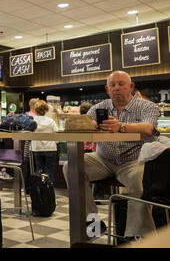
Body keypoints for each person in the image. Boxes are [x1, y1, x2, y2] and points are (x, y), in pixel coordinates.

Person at [62, 70, 159, 240]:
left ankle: (136, 235)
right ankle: (92, 224)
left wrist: (120, 127)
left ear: (131, 86)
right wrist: (89, 126)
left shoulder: (147, 106)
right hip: (103, 159)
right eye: (112, 85)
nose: (117, 88)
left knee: (139, 179)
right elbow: (83, 126)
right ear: (107, 89)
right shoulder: (98, 108)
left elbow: (148, 128)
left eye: (121, 84)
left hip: (135, 160)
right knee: (71, 166)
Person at [31, 100, 58, 182]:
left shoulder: (32, 121)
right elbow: (57, 135)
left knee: (39, 172)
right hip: (50, 148)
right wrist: (55, 142)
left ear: (35, 110)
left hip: (37, 148)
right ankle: (49, 192)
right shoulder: (51, 121)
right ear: (46, 110)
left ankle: (40, 192)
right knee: (49, 171)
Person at [23, 98, 39, 193]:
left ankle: (28, 188)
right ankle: (29, 188)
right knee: (30, 167)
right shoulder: (30, 116)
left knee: (29, 167)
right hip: (31, 145)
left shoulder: (26, 115)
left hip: (30, 145)